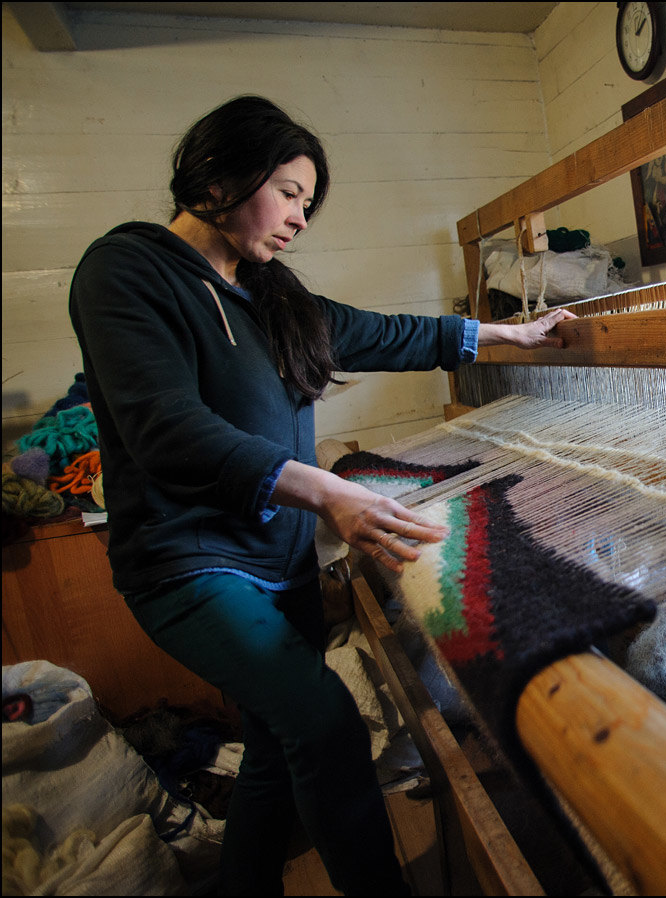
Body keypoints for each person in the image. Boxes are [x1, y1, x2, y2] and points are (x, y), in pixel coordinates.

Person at [67, 95, 576, 895]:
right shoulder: (127, 271)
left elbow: (378, 331)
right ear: (218, 174)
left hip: (278, 562)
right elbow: (164, 427)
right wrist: (324, 490)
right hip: (191, 566)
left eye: (310, 202)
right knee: (326, 725)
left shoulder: (269, 294)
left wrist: (502, 334)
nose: (302, 218)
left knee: (277, 743)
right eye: (292, 193)